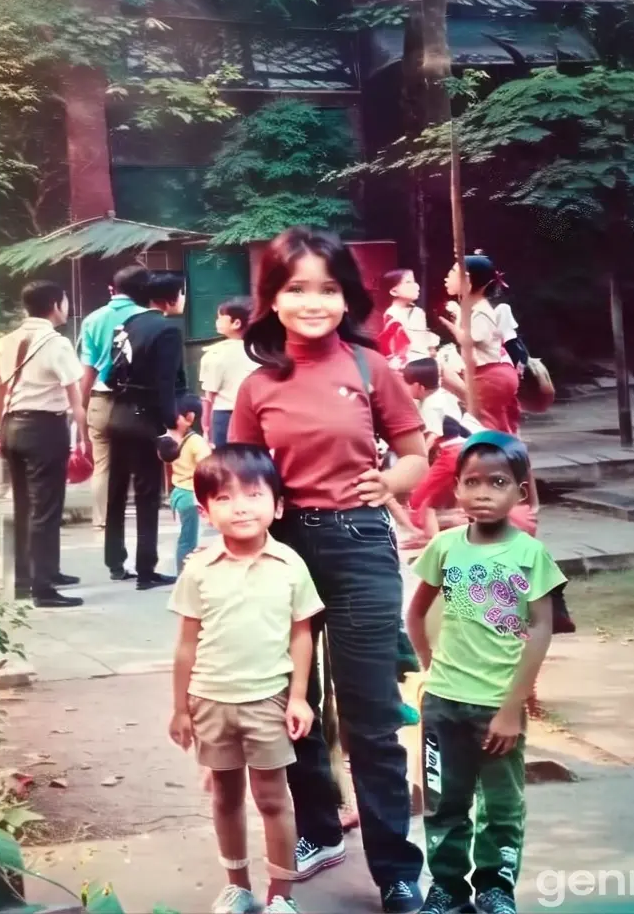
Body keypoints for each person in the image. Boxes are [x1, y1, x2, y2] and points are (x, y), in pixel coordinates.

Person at [232, 227, 427, 913]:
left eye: (327, 288)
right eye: (296, 288)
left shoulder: (373, 369)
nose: (312, 302)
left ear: (347, 297)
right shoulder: (257, 384)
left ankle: (398, 871)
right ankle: (319, 828)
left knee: (372, 713)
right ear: (272, 300)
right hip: (280, 553)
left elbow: (414, 452)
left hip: (359, 545)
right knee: (294, 706)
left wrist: (389, 482)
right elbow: (240, 480)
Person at [407, 432, 567, 914]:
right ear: (455, 489)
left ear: (520, 492)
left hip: (498, 708)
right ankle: (447, 888)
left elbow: (541, 629)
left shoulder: (529, 554)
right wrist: (431, 668)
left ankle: (496, 887)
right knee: (443, 803)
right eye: (471, 482)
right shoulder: (444, 546)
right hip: (444, 705)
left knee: (502, 807)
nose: (482, 492)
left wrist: (512, 708)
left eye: (497, 482)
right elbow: (415, 614)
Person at [168, 444, 324, 914]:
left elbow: (302, 636)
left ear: (277, 506)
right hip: (210, 701)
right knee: (225, 796)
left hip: (267, 701)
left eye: (253, 494)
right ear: (205, 510)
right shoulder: (198, 570)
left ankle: (282, 896)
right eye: (224, 497)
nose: (240, 506)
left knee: (274, 798)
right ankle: (237, 885)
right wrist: (179, 708)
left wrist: (299, 698)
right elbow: (185, 646)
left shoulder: (290, 566)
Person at [0, 281, 86, 608]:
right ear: (54, 304)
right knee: (47, 507)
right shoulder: (57, 343)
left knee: (24, 505)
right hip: (45, 428)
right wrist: (82, 437)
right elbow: (75, 398)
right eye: (65, 300)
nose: (67, 306)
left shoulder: (5, 342)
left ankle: (28, 577)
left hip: (12, 427)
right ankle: (44, 588)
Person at [104, 273, 187, 590]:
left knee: (116, 491)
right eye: (181, 294)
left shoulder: (125, 325)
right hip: (144, 419)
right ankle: (146, 571)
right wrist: (170, 423)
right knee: (147, 495)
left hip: (118, 413)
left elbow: (111, 375)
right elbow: (166, 383)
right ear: (170, 298)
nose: (182, 300)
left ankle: (115, 561)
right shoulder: (166, 330)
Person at [79, 265, 151, 530]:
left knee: (103, 464)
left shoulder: (92, 320)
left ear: (114, 289)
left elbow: (87, 371)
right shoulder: (150, 319)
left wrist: (82, 407)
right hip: (136, 402)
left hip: (100, 398)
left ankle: (103, 520)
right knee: (143, 460)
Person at [440, 255, 521, 435]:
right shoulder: (471, 308)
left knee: (489, 424)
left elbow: (470, 340)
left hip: (491, 375)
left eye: (453, 271)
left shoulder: (481, 311)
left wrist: (453, 328)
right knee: (491, 422)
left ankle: (501, 455)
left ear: (467, 279)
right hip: (485, 374)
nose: (447, 276)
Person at [199, 299, 257, 449]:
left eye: (220, 317)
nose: (216, 321)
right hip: (255, 414)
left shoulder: (215, 354)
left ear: (236, 323)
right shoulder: (262, 351)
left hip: (224, 417)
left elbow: (209, 398)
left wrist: (206, 428)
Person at [164, 394, 211, 574]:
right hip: (190, 495)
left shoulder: (173, 440)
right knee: (188, 541)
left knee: (186, 539)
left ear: (190, 418)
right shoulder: (196, 442)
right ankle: (184, 578)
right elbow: (206, 468)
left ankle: (184, 575)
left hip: (179, 493)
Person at [379, 269, 432, 365]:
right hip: (404, 363)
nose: (416, 286)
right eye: (408, 282)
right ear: (394, 291)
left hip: (423, 360)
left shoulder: (419, 312)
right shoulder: (392, 314)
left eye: (414, 281)